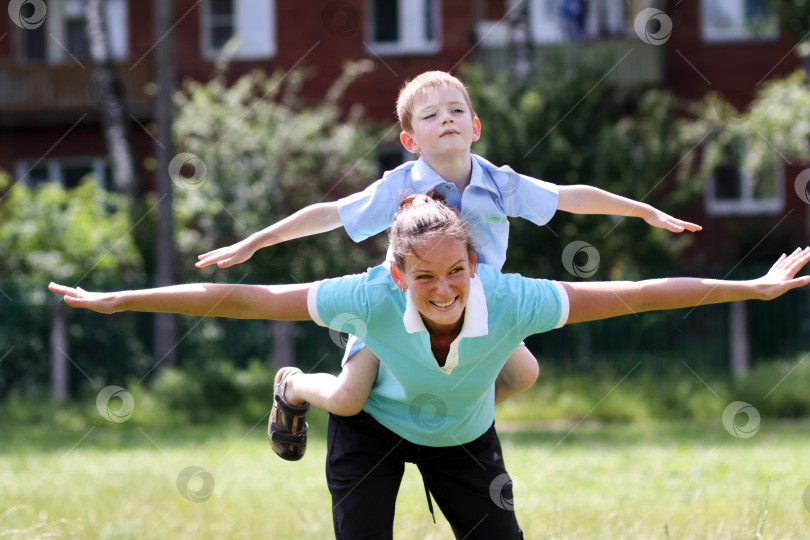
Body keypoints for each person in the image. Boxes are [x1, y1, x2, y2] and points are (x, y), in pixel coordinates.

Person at [50, 194, 809, 540]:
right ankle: (292, 389)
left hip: (462, 440)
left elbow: (639, 295)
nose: (443, 290)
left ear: (474, 262)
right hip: (372, 429)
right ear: (396, 276)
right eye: (424, 278)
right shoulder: (366, 295)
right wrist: (121, 300)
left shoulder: (511, 299)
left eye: (456, 273)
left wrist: (753, 286)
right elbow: (246, 298)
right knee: (347, 405)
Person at [194, 71, 702, 458]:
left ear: (475, 126)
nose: (448, 119)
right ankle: (292, 384)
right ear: (411, 140)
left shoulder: (500, 183)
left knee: (524, 373)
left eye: (457, 110)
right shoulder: (399, 184)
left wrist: (642, 209)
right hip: (400, 309)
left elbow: (571, 197)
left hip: (477, 309)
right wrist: (256, 241)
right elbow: (330, 213)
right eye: (432, 115)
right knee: (349, 399)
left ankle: (436, 421)